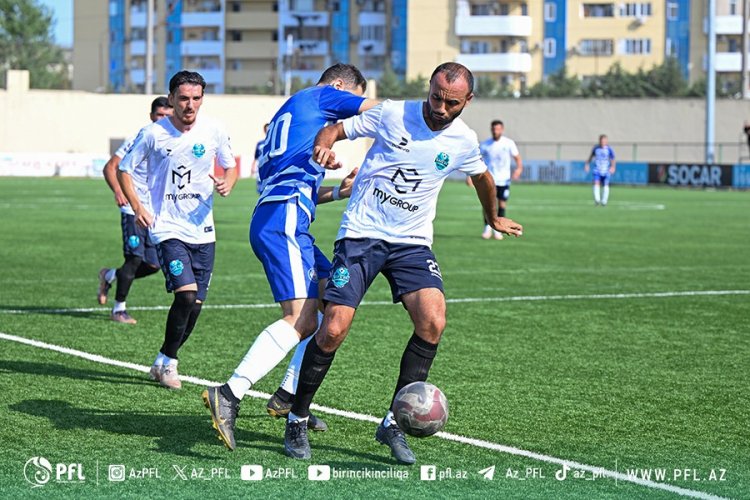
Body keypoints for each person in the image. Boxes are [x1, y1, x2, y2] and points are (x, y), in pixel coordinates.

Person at [281, 62, 523, 464]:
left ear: (468, 101)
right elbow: (335, 129)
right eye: (436, 97)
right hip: (361, 233)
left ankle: (394, 422)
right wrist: (325, 145)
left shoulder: (463, 140)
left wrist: (492, 216)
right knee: (334, 328)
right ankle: (297, 417)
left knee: (433, 321)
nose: (441, 108)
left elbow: (481, 177)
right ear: (428, 88)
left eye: (452, 103)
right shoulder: (394, 113)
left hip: (411, 242)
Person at [202, 63, 379, 451]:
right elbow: (379, 110)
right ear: (339, 87)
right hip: (284, 217)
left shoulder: (291, 113)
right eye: (349, 96)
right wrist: (418, 118)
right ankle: (229, 393)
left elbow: (293, 181)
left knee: (335, 302)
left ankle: (288, 396)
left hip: (280, 214)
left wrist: (337, 192)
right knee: (300, 319)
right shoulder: (323, 96)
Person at [117, 70, 237, 389]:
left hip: (204, 230)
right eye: (183, 98)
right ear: (171, 99)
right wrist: (139, 207)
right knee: (186, 295)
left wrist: (228, 182)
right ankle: (170, 364)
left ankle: (163, 359)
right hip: (167, 227)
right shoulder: (154, 133)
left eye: (196, 98)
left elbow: (230, 165)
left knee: (195, 306)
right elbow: (124, 170)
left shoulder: (214, 130)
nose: (190, 105)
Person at [97, 97, 173, 324]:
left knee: (152, 265)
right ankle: (118, 309)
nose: (164, 119)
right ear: (152, 116)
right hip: (132, 209)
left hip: (155, 212)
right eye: (160, 115)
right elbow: (110, 167)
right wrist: (119, 191)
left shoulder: (174, 142)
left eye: (168, 115)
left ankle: (109, 275)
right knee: (133, 259)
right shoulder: (139, 138)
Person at [466, 119, 523, 240]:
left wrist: (518, 169)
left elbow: (517, 158)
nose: (495, 131)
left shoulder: (508, 143)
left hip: (504, 179)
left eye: (497, 129)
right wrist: (470, 176)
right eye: (493, 129)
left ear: (502, 130)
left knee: (501, 203)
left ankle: (498, 229)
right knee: (487, 203)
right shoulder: (486, 144)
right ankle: (487, 227)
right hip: (489, 179)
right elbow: (475, 161)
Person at [584, 134, 616, 206]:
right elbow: (590, 157)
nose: (603, 142)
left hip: (606, 170)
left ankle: (604, 201)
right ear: (599, 141)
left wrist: (613, 167)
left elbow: (612, 159)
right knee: (596, 183)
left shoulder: (609, 149)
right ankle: (597, 200)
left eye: (604, 140)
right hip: (597, 170)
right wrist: (587, 164)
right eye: (602, 140)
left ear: (606, 141)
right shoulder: (596, 148)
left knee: (605, 185)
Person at [250, 123, 269, 195]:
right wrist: (252, 167)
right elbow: (256, 157)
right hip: (260, 168)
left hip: (269, 168)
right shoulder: (260, 143)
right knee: (260, 190)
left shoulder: (273, 142)